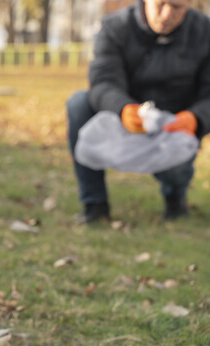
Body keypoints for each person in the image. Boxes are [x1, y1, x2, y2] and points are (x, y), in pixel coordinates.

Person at [66, 0, 210, 223]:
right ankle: (94, 204)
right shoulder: (115, 27)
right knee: (79, 103)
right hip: (126, 116)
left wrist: (196, 118)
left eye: (177, 7)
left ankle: (175, 198)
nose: (166, 14)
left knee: (177, 168)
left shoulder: (205, 32)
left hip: (175, 125)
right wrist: (121, 108)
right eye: (161, 4)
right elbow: (103, 81)